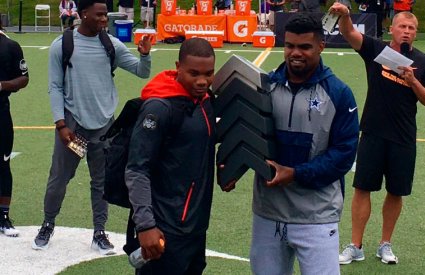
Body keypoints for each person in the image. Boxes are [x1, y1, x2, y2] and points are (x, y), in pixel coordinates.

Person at [220, 13, 359, 274]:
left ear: (321, 46)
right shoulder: (265, 86)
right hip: (268, 213)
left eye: (305, 47)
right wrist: (232, 170)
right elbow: (246, 134)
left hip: (316, 216)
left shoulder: (339, 93)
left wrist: (295, 174)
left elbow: (344, 154)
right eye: (290, 46)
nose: (296, 53)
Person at [31, 0, 152, 254]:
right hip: (74, 129)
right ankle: (48, 223)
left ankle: (99, 232)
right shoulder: (63, 45)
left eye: (105, 15)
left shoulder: (111, 45)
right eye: (99, 15)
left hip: (104, 128)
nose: (104, 19)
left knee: (101, 182)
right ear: (83, 14)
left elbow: (142, 72)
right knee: (60, 179)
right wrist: (61, 124)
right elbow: (55, 87)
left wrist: (144, 54)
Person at [330, 2, 425, 265]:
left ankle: (385, 244)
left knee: (396, 191)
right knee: (362, 188)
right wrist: (345, 15)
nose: (407, 31)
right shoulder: (377, 50)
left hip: (403, 136)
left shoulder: (422, 61)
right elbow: (349, 35)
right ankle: (355, 245)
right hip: (372, 131)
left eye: (412, 28)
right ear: (392, 28)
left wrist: (413, 82)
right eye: (402, 26)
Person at [125, 37, 216, 274]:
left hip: (195, 227)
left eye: (209, 74)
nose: (202, 81)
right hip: (164, 228)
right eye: (194, 73)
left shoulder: (204, 102)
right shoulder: (159, 108)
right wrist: (145, 226)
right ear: (177, 67)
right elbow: (137, 169)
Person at [0, 31, 29, 237]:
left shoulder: (10, 46)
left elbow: (24, 78)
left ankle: (3, 216)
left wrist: (1, 85)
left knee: (3, 164)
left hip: (0, 113)